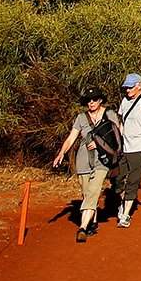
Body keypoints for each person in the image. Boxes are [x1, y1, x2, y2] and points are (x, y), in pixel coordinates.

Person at [51, 89, 119, 242]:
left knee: (94, 190)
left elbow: (117, 136)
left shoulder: (110, 115)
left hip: (102, 160)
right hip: (83, 159)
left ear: (100, 100)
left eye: (94, 99)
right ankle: (92, 222)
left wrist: (100, 144)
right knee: (87, 192)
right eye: (88, 100)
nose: (91, 103)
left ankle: (82, 227)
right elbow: (71, 138)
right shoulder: (81, 118)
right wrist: (61, 153)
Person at [111, 72, 141, 227]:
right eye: (126, 87)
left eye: (130, 87)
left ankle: (125, 215)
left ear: (138, 85)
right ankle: (123, 203)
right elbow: (122, 122)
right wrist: (119, 141)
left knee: (133, 180)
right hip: (125, 147)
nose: (127, 90)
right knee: (117, 179)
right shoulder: (124, 101)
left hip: (140, 146)